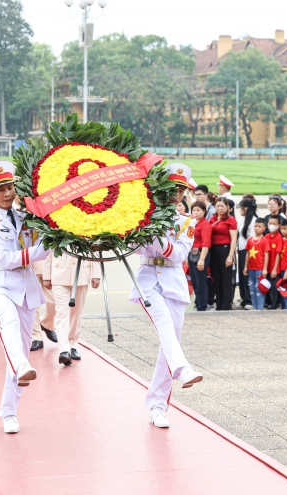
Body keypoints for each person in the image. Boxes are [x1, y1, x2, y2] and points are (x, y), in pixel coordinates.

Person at [0, 161, 51, 434]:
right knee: (7, 324)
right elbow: (5, 259)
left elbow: (43, 242)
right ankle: (21, 364)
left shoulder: (26, 217)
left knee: (19, 344)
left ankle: (9, 412)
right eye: (0, 189)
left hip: (27, 287)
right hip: (0, 285)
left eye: (10, 188)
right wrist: (42, 250)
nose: (7, 193)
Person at [130, 163, 203, 429]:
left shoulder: (186, 222)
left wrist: (154, 237)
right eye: (174, 187)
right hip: (148, 281)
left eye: (182, 189)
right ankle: (183, 369)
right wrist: (147, 231)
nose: (178, 193)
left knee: (167, 344)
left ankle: (158, 406)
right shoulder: (145, 216)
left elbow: (179, 255)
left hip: (173, 282)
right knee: (164, 325)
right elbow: (134, 247)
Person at [42, 253, 101, 365]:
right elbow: (48, 249)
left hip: (82, 273)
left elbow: (95, 248)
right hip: (59, 272)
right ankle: (64, 350)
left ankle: (72, 345)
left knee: (76, 312)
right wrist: (46, 275)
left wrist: (96, 274)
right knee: (61, 312)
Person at [209, 197, 237, 311]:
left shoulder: (230, 220)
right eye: (218, 206)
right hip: (213, 249)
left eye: (222, 206)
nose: (220, 208)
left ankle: (226, 304)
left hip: (225, 249)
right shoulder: (212, 218)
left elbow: (234, 239)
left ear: (228, 208)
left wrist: (230, 256)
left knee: (226, 278)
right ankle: (219, 304)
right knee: (216, 278)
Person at [189, 201, 211, 311]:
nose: (196, 212)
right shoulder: (192, 222)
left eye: (198, 210)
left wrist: (202, 259)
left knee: (201, 282)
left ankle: (202, 306)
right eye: (194, 210)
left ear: (204, 211)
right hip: (192, 254)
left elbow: (206, 244)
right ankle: (198, 304)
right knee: (195, 281)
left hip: (201, 254)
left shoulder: (205, 224)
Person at [236, 198, 258, 310]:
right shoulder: (243, 219)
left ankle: (249, 299)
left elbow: (252, 239)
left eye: (241, 208)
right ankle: (244, 298)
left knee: (247, 276)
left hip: (249, 251)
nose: (239, 210)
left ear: (247, 208)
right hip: (241, 249)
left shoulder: (254, 221)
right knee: (242, 276)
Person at [243, 217, 268, 311]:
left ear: (264, 228)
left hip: (260, 268)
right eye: (256, 226)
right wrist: (246, 267)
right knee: (252, 288)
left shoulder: (264, 240)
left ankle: (260, 307)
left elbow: (266, 255)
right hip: (251, 268)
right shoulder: (250, 240)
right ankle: (254, 306)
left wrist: (265, 269)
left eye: (259, 226)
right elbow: (248, 253)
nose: (257, 228)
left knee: (259, 288)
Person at [264, 215, 283, 309]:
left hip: (274, 267)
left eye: (274, 224)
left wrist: (275, 269)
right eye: (270, 223)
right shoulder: (266, 236)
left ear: (279, 226)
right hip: (266, 267)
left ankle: (275, 303)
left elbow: (278, 254)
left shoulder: (279, 237)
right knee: (267, 285)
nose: (271, 225)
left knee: (273, 287)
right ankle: (268, 302)